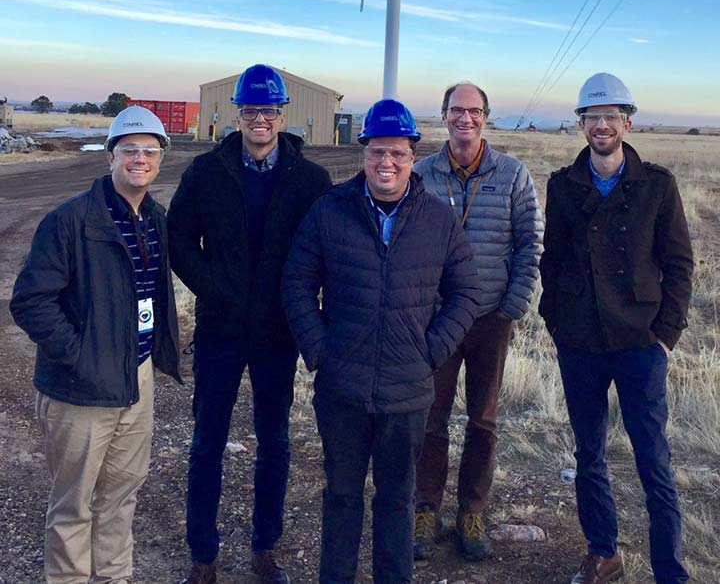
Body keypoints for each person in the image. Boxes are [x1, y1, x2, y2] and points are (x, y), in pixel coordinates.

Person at [283, 98, 482, 584]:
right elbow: (296, 283)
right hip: (342, 389)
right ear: (364, 154)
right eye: (376, 152)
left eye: (396, 152)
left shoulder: (437, 220)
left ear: (413, 156)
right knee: (342, 497)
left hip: (407, 393)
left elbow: (467, 292)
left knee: (397, 500)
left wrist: (430, 353)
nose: (386, 162)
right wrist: (321, 352)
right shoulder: (330, 210)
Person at [168, 64, 331, 584]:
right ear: (236, 114)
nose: (260, 119)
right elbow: (178, 241)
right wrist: (213, 288)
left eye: (269, 110)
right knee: (206, 441)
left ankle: (266, 548)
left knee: (274, 441)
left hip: (276, 333)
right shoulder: (206, 172)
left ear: (283, 115)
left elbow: (321, 253)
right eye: (250, 110)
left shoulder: (310, 179)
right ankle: (203, 556)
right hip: (219, 328)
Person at [10, 105, 181, 584]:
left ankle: (113, 578)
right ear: (110, 156)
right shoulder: (69, 221)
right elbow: (30, 301)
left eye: (150, 151)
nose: (140, 159)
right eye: (130, 150)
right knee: (73, 505)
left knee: (120, 498)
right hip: (80, 389)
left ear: (160, 159)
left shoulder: (155, 218)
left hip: (137, 379)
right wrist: (81, 356)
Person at [539, 73, 693, 584]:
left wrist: (665, 337)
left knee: (653, 460)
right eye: (591, 117)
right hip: (580, 343)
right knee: (590, 455)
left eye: (610, 116)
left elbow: (679, 266)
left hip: (639, 343)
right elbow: (553, 260)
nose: (601, 125)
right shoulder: (563, 186)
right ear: (580, 124)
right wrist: (556, 320)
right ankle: (603, 552)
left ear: (627, 122)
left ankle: (670, 570)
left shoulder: (657, 186)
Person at [413, 81, 543, 561]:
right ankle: (426, 507)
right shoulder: (421, 173)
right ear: (443, 115)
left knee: (483, 421)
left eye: (473, 111)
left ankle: (473, 509)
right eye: (455, 110)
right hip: (437, 320)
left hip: (491, 317)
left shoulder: (513, 174)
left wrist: (513, 303)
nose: (464, 118)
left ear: (486, 116)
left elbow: (530, 242)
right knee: (431, 419)